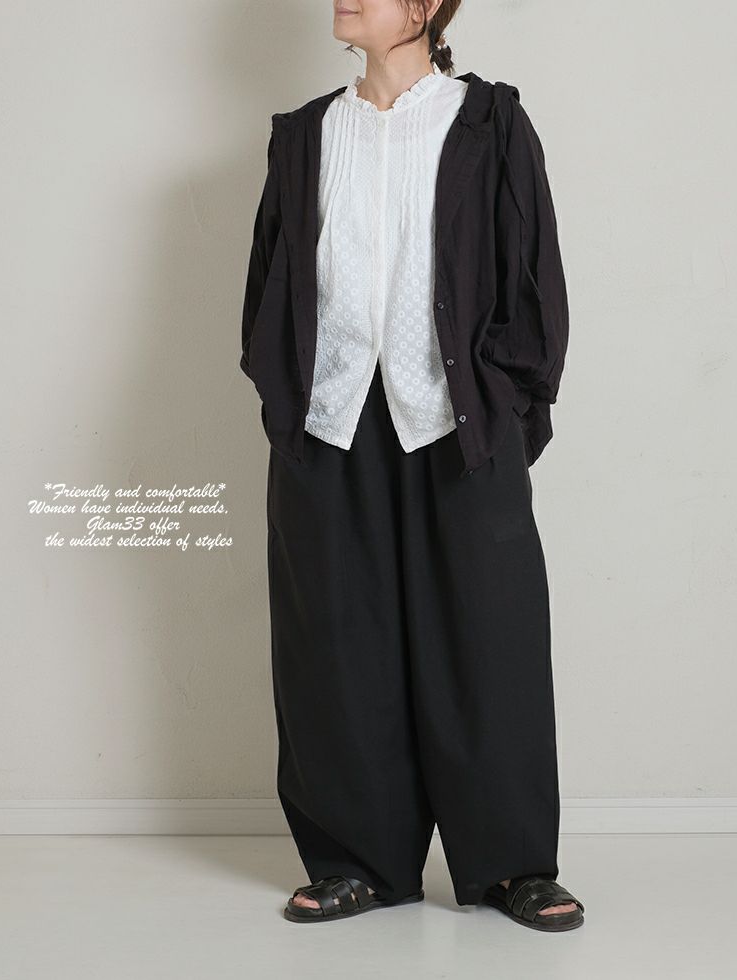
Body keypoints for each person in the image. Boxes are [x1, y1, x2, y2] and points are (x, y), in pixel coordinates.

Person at [240, 0, 585, 931]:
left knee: (488, 638)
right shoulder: (304, 136)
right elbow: (270, 281)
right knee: (335, 643)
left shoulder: (490, 122)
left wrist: (508, 404)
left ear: (429, 5)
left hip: (458, 421)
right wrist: (285, 399)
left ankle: (513, 865)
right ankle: (357, 861)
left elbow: (533, 275)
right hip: (330, 420)